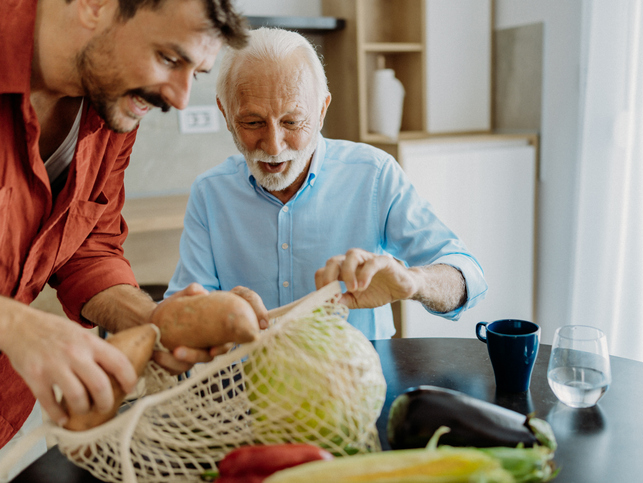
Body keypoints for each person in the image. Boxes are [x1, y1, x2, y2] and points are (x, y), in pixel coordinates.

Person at [0, 0, 264, 473]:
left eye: (196, 73)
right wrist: (15, 325)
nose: (182, 99)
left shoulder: (112, 98)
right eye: (168, 58)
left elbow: (89, 248)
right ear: (94, 6)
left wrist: (154, 318)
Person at [165, 27, 487, 340]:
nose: (274, 145)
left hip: (359, 384)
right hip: (251, 388)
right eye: (253, 122)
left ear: (321, 111)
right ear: (226, 113)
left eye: (292, 121)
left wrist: (414, 282)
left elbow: (467, 276)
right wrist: (211, 312)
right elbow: (177, 316)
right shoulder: (210, 194)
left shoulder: (373, 174)